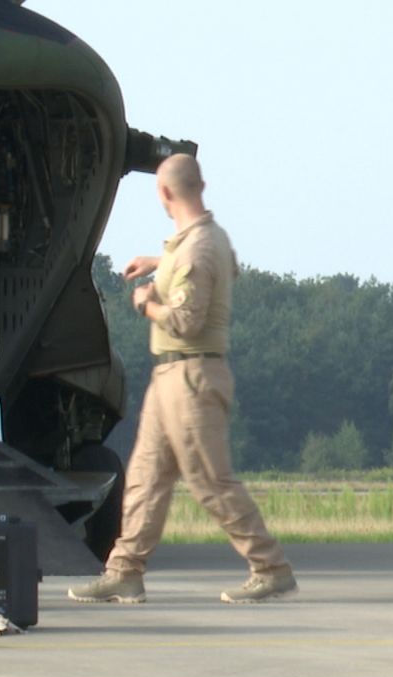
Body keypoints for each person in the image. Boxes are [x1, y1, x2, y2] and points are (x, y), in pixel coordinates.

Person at [68, 154, 297, 604]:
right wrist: (159, 262)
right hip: (172, 376)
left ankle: (270, 567)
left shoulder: (195, 249)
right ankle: (124, 571)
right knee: (145, 478)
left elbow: (186, 320)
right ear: (200, 185)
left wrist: (145, 304)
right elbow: (218, 265)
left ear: (165, 193)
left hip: (191, 377)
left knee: (210, 480)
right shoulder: (201, 241)